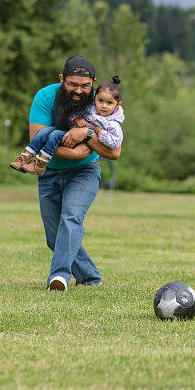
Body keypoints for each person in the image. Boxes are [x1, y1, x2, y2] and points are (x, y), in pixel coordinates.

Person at [21, 55, 121, 291]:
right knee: (53, 237)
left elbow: (114, 152)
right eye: (73, 84)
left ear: (93, 83)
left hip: (84, 173)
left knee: (71, 218)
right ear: (62, 79)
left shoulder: (100, 101)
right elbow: (36, 138)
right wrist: (77, 152)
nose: (79, 91)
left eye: (85, 86)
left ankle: (59, 277)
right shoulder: (45, 96)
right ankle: (89, 276)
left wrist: (86, 134)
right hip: (49, 173)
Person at [10, 75, 125, 175]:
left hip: (82, 141)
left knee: (54, 135)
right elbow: (71, 115)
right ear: (95, 98)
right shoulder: (91, 108)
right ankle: (25, 157)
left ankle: (40, 164)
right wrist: (76, 120)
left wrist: (98, 132)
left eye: (109, 103)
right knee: (44, 132)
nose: (104, 106)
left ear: (117, 105)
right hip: (70, 131)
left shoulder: (113, 124)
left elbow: (114, 143)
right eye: (101, 101)